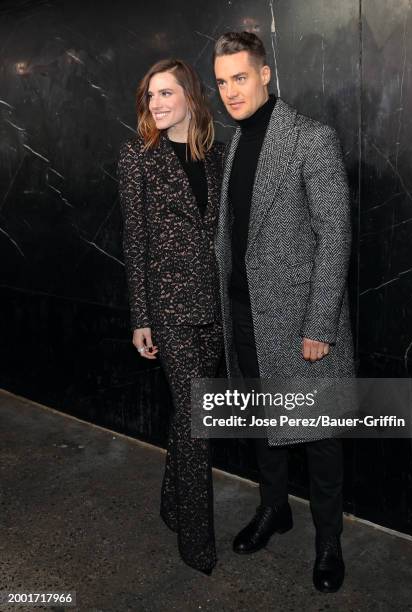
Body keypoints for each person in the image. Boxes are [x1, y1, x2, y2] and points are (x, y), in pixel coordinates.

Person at [213, 32, 355, 592]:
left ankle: (328, 543)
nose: (230, 91)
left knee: (319, 438)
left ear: (265, 74)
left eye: (240, 78)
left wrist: (320, 325)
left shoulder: (310, 138)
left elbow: (334, 235)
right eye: (222, 82)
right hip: (244, 315)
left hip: (301, 325)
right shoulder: (234, 144)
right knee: (262, 424)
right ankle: (275, 509)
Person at [117, 59, 225, 576]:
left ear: (190, 97)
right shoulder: (137, 156)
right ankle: (197, 544)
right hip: (169, 308)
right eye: (149, 96)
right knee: (198, 418)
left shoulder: (216, 156)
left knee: (188, 414)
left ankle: (169, 504)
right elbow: (133, 242)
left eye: (165, 94)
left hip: (215, 308)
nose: (156, 104)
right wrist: (142, 317)